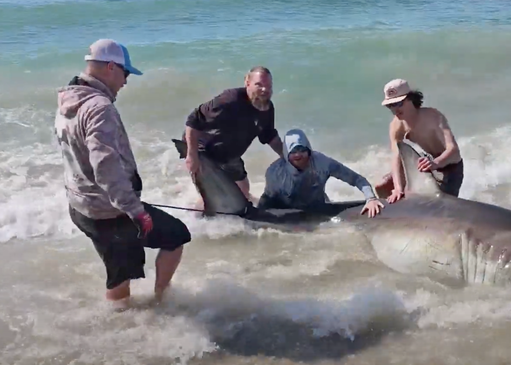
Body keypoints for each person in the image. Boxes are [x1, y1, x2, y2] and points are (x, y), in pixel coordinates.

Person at [54, 39, 191, 309]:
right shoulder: (98, 107)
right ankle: (156, 305)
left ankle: (122, 322)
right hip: (109, 213)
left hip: (81, 206)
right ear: (110, 68)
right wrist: (136, 211)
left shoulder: (68, 101)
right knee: (176, 235)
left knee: (118, 271)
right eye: (125, 73)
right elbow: (104, 166)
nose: (126, 82)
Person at [183, 66, 284, 206]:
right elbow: (193, 119)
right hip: (204, 151)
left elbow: (269, 135)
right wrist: (192, 154)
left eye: (268, 86)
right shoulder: (230, 100)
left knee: (243, 192)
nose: (264, 90)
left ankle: (242, 217)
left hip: (230, 154)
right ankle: (197, 222)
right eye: (259, 85)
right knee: (210, 198)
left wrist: (286, 157)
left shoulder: (267, 107)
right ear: (247, 83)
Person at [257, 128, 384, 217]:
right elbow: (266, 201)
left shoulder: (322, 163)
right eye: (293, 151)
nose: (298, 155)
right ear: (286, 154)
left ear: (309, 149)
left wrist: (371, 198)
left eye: (302, 149)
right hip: (287, 213)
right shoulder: (275, 172)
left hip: (318, 209)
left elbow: (357, 179)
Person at [374, 79, 464, 203]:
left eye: (398, 103)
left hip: (450, 166)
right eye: (390, 105)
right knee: (382, 186)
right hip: (429, 163)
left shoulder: (433, 117)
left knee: (438, 205)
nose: (395, 110)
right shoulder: (396, 125)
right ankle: (394, 219)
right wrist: (398, 188)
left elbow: (453, 151)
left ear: (410, 99)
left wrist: (436, 163)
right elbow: (396, 156)